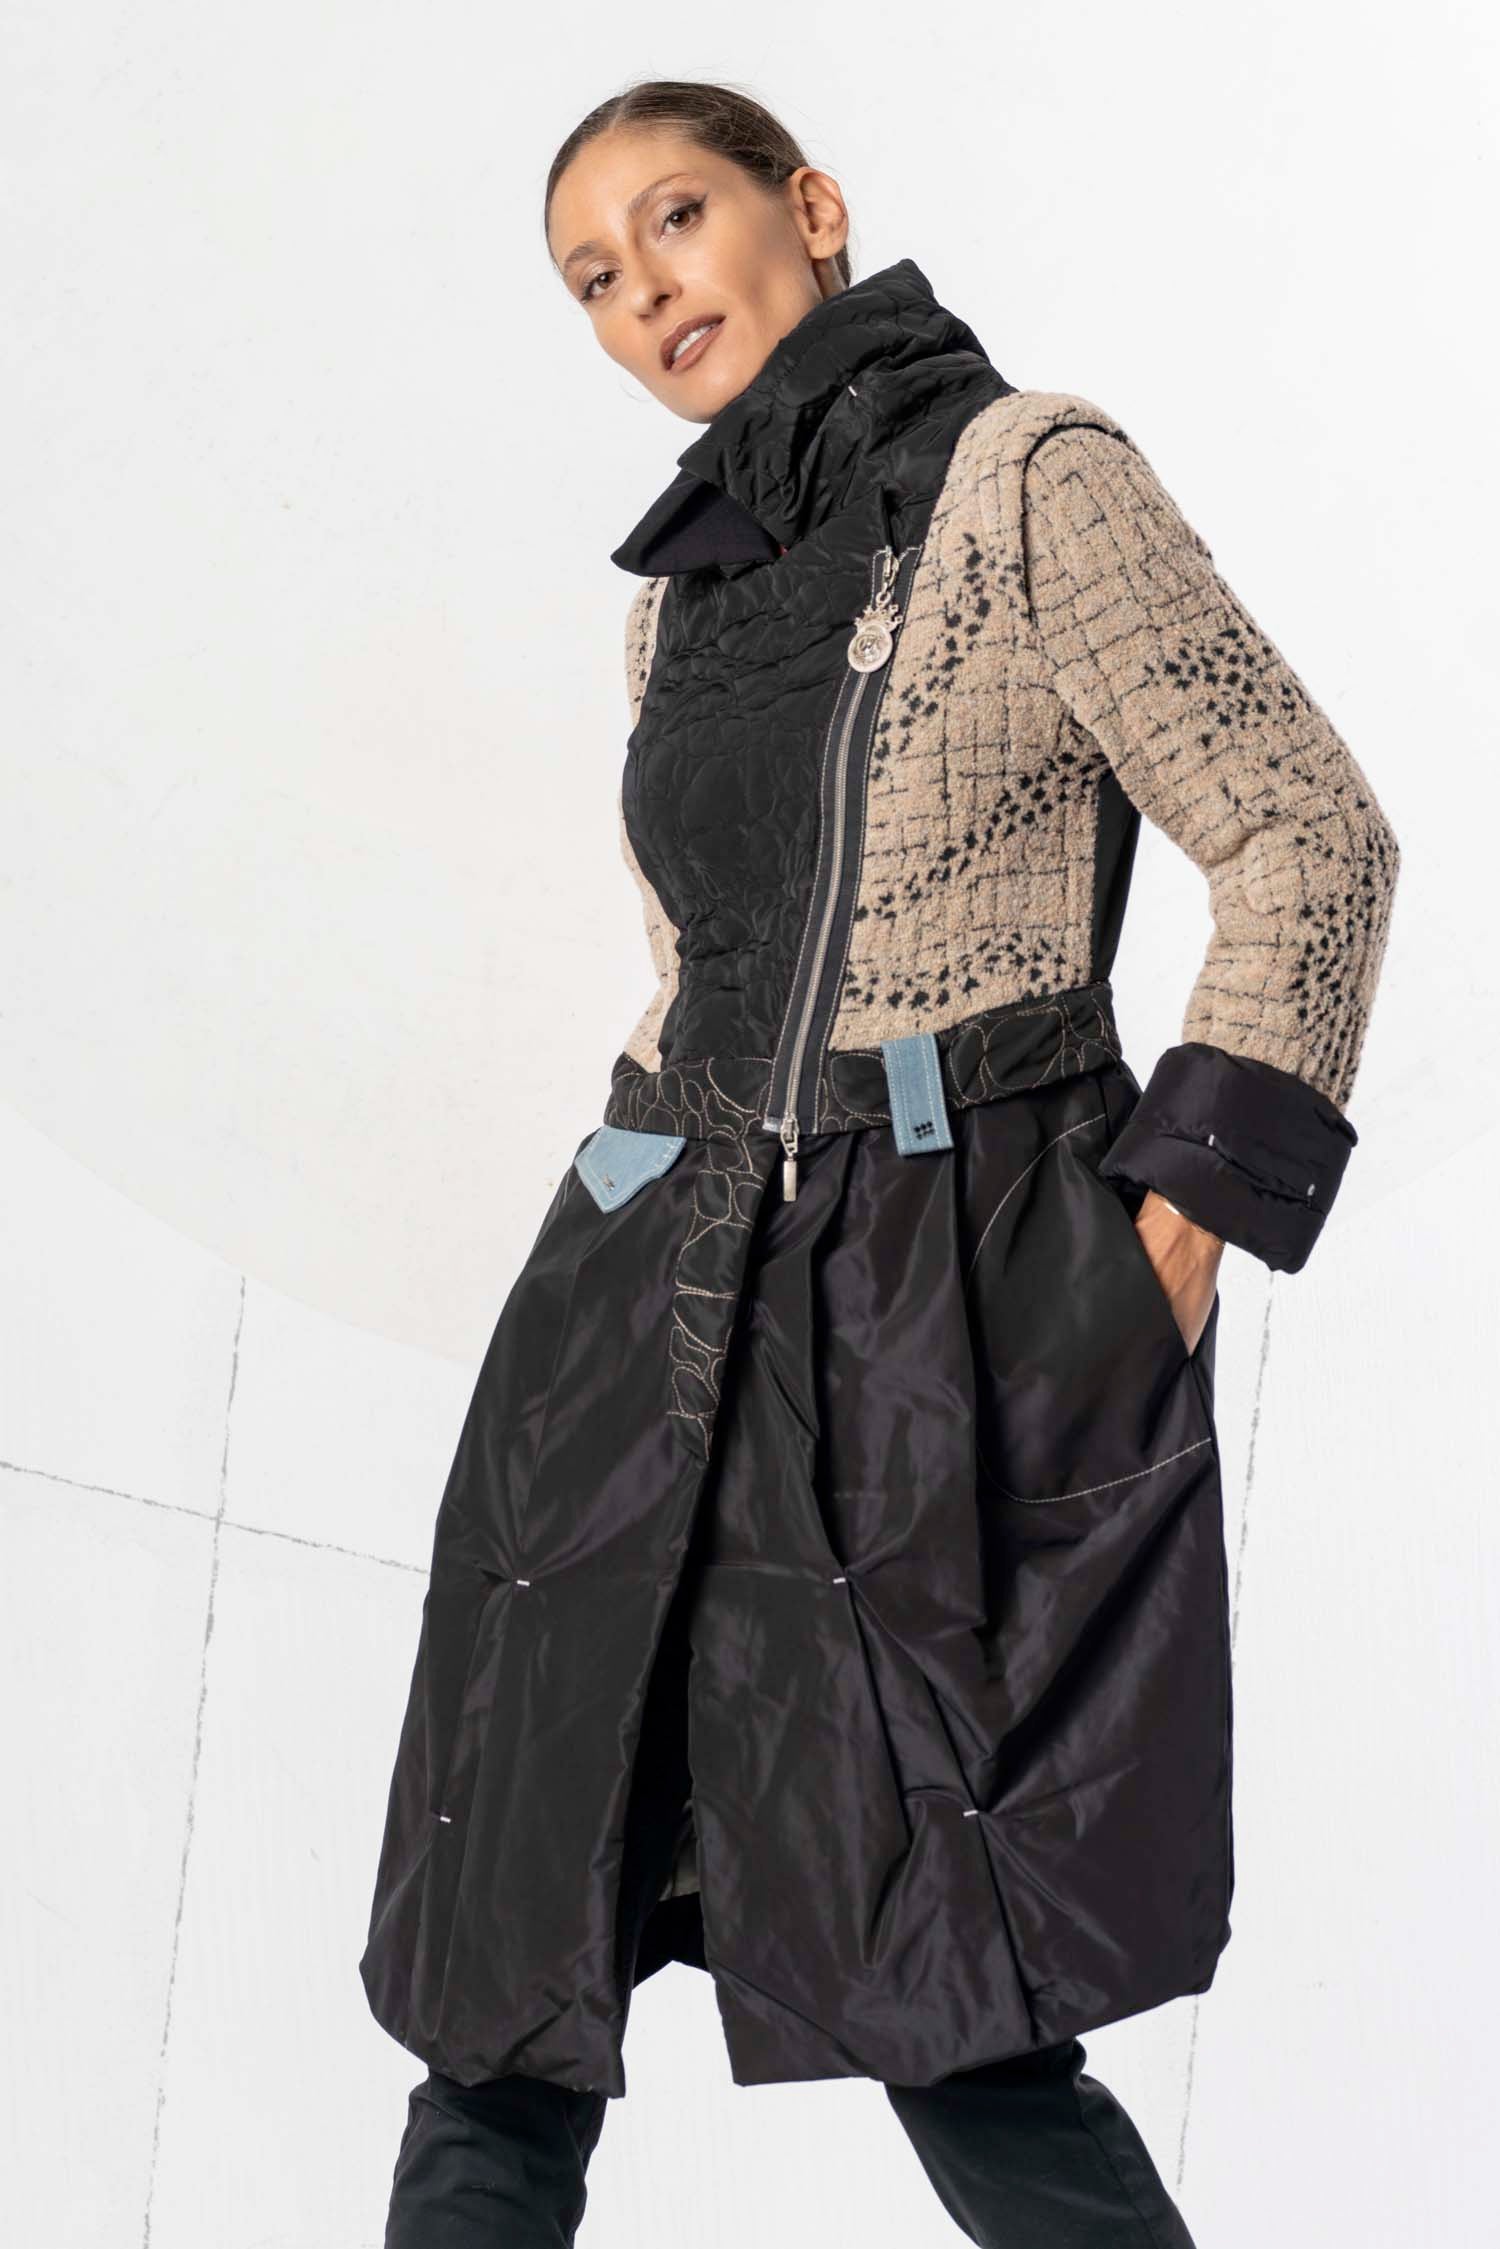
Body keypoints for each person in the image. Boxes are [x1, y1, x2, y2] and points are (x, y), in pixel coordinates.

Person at [365, 77, 1399, 2246]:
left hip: (937, 1302)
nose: (645, 291)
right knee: (506, 1975)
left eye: (676, 219)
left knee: (958, 1989)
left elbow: (1309, 833)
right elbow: (701, 968)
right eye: (593, 278)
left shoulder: (1031, 476)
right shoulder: (674, 601)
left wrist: (1176, 1233)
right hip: (640, 1307)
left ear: (810, 208)